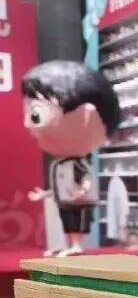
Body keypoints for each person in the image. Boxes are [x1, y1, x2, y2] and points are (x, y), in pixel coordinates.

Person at [22, 61, 122, 256]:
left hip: (78, 201)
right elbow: (60, 184)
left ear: (85, 117)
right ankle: (71, 244)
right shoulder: (60, 163)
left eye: (35, 114)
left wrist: (83, 190)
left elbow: (85, 177)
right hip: (67, 200)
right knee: (67, 221)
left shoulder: (76, 163)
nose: (26, 124)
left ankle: (77, 244)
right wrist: (45, 194)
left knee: (78, 221)